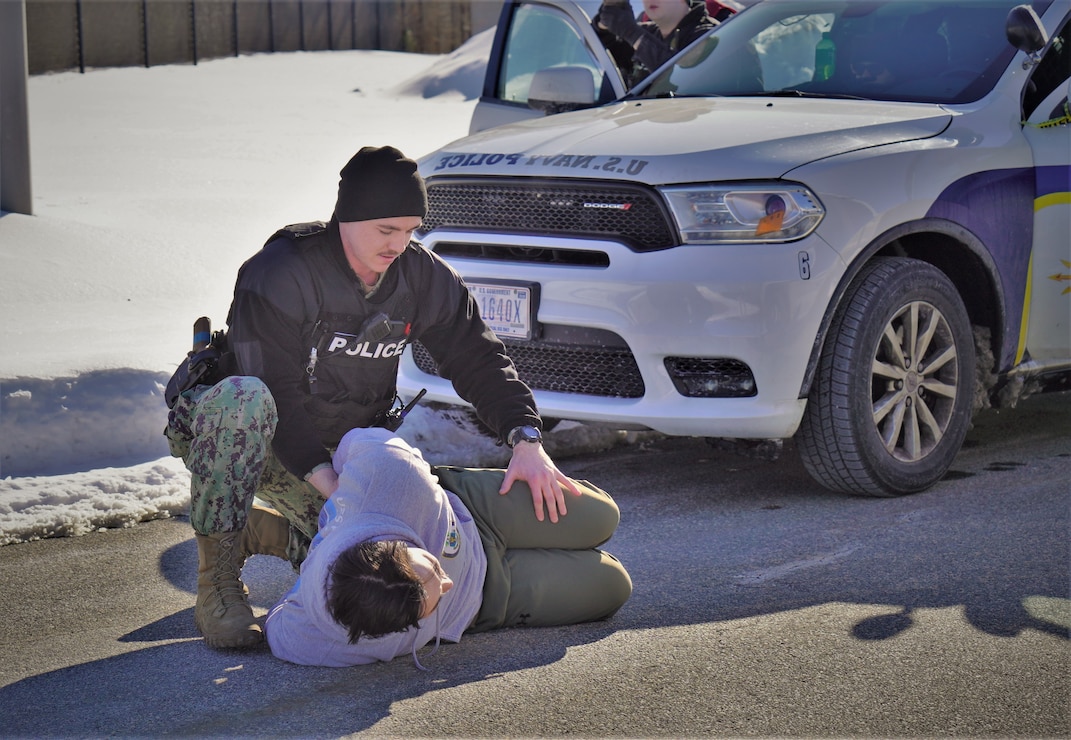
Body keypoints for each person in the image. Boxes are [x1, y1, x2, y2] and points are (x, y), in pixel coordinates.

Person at [165, 145, 583, 650]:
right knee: (245, 396)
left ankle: (265, 532)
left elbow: (477, 357)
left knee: (368, 578)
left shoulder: (422, 276)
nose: (399, 244)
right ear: (348, 216)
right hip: (244, 435)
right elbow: (275, 388)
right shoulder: (281, 271)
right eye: (387, 230)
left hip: (336, 448)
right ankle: (217, 585)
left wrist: (525, 437)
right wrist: (335, 486)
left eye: (410, 230)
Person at [263, 427, 632, 667]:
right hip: (483, 602)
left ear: (395, 543)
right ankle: (294, 544)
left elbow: (355, 442)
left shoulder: (389, 474)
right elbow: (277, 623)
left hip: (473, 512)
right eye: (432, 600)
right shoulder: (315, 639)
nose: (446, 583)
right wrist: (310, 578)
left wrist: (336, 493)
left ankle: (288, 538)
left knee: (603, 516)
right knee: (613, 586)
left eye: (432, 569)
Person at [594, 0, 719, 89]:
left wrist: (632, 33)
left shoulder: (712, 33)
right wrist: (606, 22)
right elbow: (605, 52)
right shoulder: (647, 33)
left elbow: (682, 78)